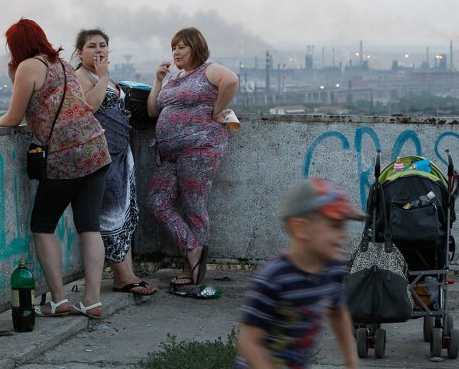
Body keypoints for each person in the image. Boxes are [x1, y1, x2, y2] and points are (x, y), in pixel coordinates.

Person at [0, 18, 111, 320]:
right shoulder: (61, 64)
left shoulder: (28, 67)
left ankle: (59, 301)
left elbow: (13, 116)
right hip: (96, 149)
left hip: (66, 156)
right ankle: (92, 300)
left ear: (16, 45)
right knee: (89, 227)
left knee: (43, 225)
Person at [235, 178, 363, 369]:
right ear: (300, 228)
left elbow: (338, 312)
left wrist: (351, 359)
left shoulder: (333, 270)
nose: (344, 235)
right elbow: (249, 341)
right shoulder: (274, 277)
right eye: (335, 225)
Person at [146, 27, 239, 286]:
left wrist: (216, 111)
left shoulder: (208, 70)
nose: (176, 52)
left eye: (182, 47)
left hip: (199, 148)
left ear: (196, 48)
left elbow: (230, 81)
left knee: (193, 207)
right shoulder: (174, 78)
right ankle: (192, 248)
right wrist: (158, 80)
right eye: (174, 47)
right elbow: (153, 110)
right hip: (169, 153)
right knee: (156, 201)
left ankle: (192, 271)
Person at [73, 28, 156, 296]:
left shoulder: (103, 78)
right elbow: (88, 107)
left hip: (121, 153)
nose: (99, 51)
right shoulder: (81, 77)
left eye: (103, 46)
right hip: (101, 157)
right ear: (80, 52)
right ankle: (121, 275)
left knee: (125, 214)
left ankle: (127, 273)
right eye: (92, 46)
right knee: (110, 214)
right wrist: (105, 76)